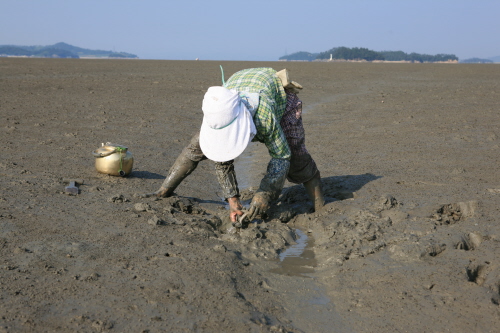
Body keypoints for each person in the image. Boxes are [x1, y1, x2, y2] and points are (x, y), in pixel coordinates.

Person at [141, 67, 324, 224]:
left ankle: (320, 207)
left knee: (295, 154)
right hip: (238, 88)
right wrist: (233, 202)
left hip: (276, 97)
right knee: (196, 147)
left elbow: (281, 156)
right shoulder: (217, 110)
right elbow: (221, 157)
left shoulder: (263, 117)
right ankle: (164, 190)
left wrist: (264, 195)